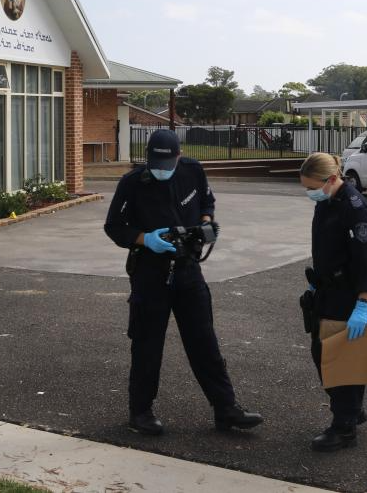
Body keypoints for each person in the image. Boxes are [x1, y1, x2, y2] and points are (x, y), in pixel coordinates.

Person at [104, 129, 263, 436]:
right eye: (155, 164)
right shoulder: (132, 183)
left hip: (187, 269)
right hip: (150, 272)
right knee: (147, 344)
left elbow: (207, 203)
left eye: (167, 164)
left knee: (204, 341)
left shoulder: (192, 171)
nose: (161, 170)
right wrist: (144, 238)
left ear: (179, 157)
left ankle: (225, 408)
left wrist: (205, 225)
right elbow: (114, 227)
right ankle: (140, 412)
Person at [298, 152, 367, 452]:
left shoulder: (354, 208)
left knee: (342, 360)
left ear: (332, 179)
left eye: (312, 187)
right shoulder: (327, 201)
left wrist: (364, 303)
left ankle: (344, 428)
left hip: (350, 295)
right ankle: (352, 410)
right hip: (328, 290)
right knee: (323, 352)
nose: (310, 193)